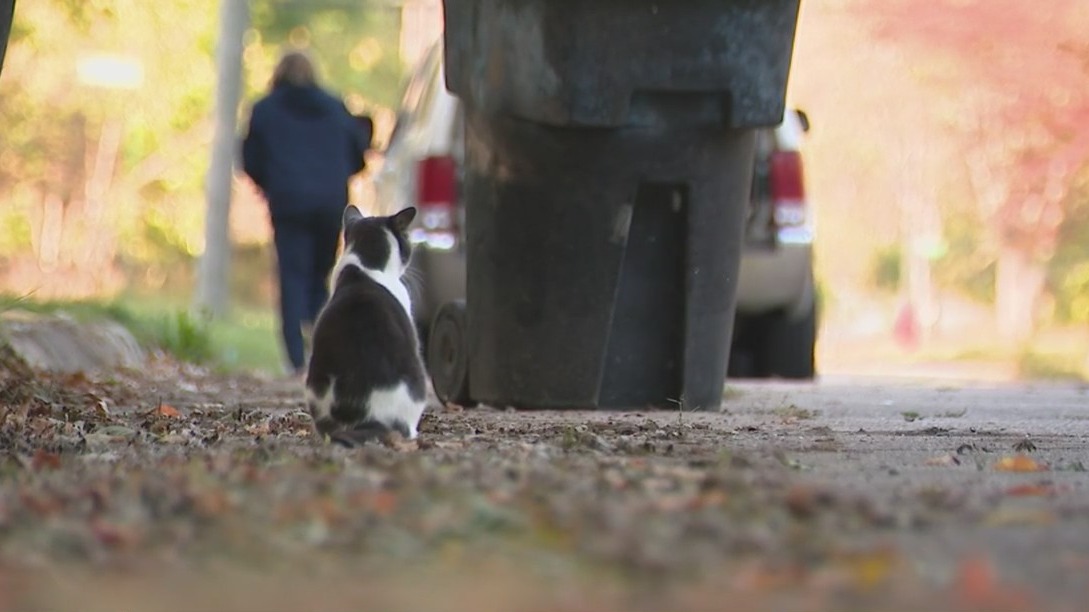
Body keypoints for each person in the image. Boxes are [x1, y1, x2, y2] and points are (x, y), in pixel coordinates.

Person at [242, 50, 368, 376]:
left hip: (288, 203)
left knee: (292, 275)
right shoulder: (335, 107)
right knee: (320, 275)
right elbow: (358, 155)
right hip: (329, 204)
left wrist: (270, 182)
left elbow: (250, 160)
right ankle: (321, 346)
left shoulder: (265, 110)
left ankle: (296, 358)